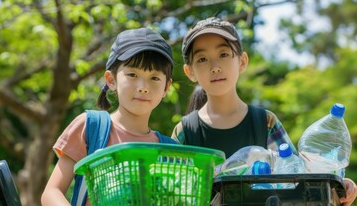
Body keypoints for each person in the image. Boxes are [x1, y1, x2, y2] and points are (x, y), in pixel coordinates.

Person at [171, 17, 357, 206]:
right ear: (190, 71)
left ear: (242, 61)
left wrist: (338, 186)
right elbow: (172, 192)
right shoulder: (186, 131)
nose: (215, 67)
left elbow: (297, 180)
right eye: (202, 59)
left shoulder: (264, 122)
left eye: (224, 54)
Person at [41, 28, 177, 206]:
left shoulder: (172, 151)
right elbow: (52, 192)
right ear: (111, 80)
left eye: (154, 78)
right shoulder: (91, 127)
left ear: (166, 88)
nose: (143, 86)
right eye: (132, 75)